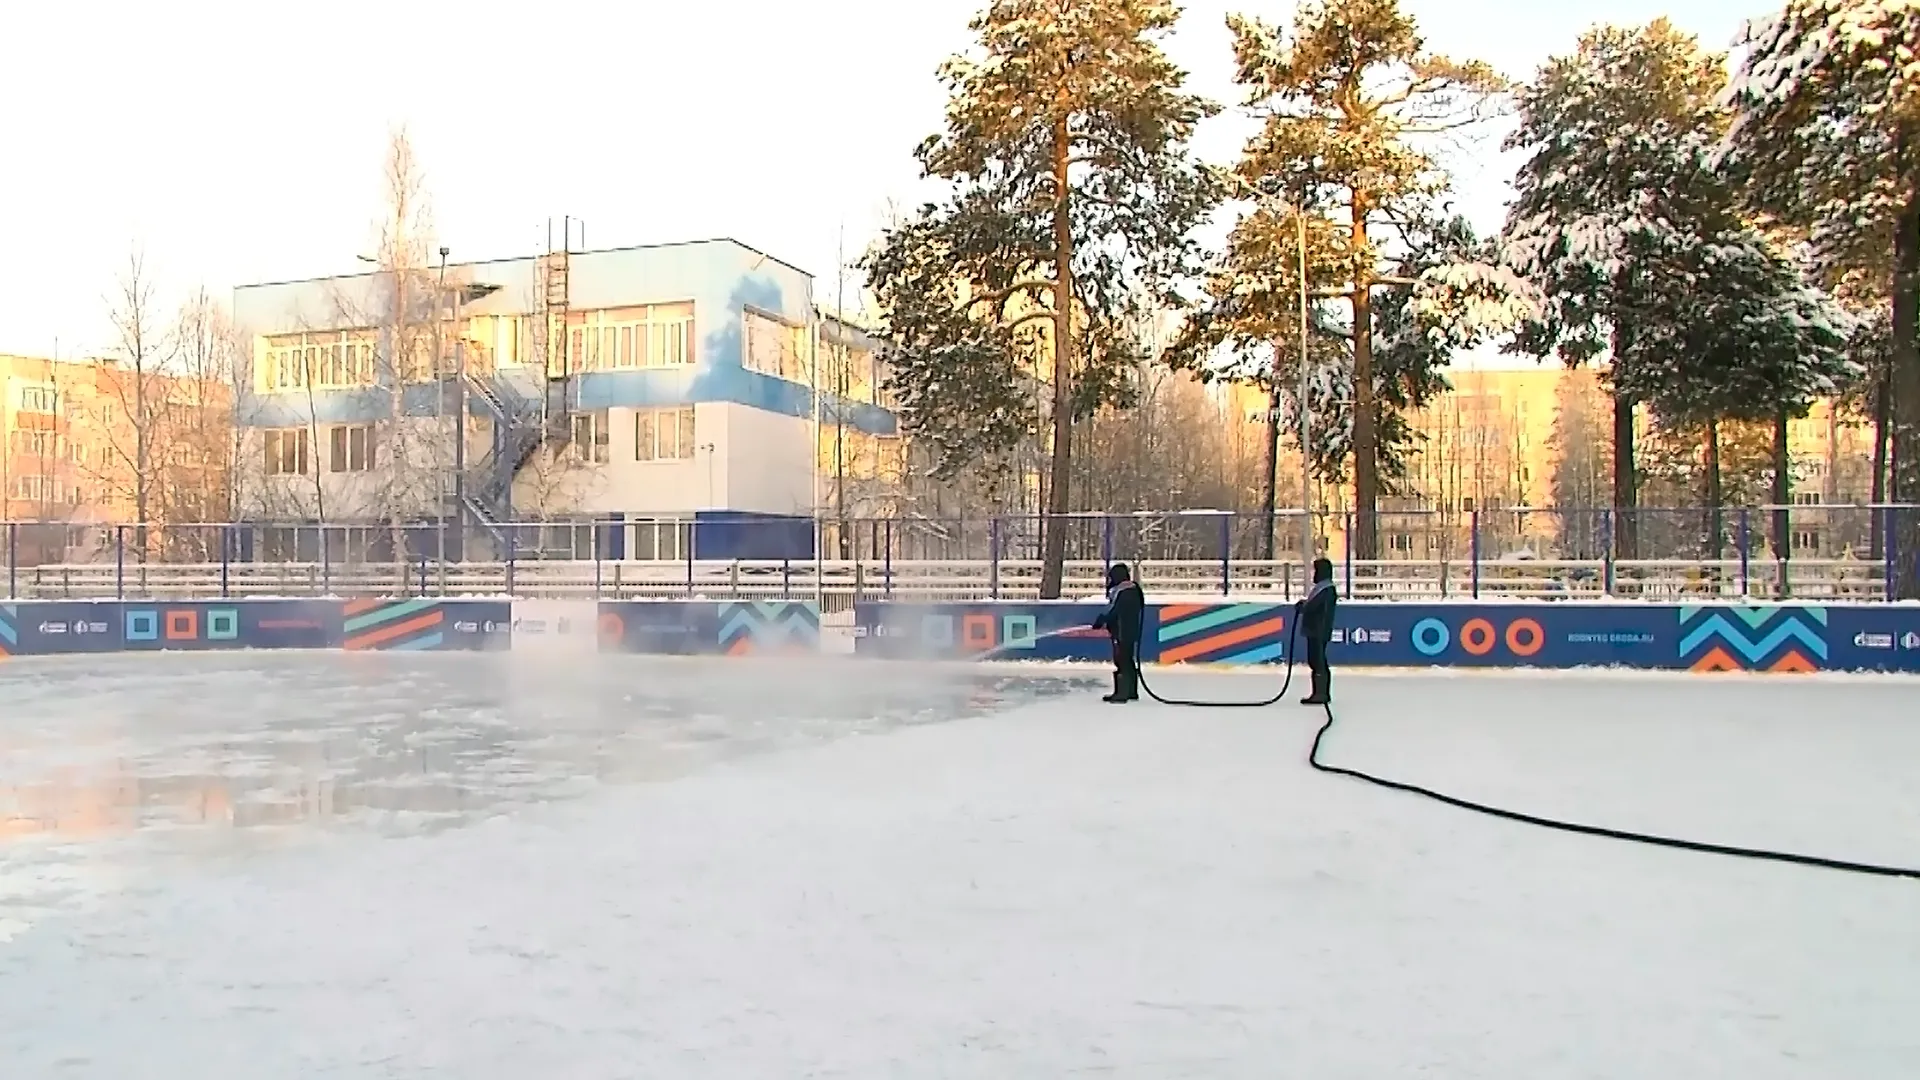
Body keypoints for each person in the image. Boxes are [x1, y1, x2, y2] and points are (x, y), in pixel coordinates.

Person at [1091, 561, 1144, 703]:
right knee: (1127, 660)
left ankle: (1122, 693)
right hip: (1127, 630)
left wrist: (1103, 619)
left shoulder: (1125, 591)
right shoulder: (1130, 589)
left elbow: (1116, 611)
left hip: (1123, 631)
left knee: (1122, 660)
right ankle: (1130, 691)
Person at [1294, 557, 1337, 705]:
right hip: (1316, 630)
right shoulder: (1322, 589)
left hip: (1318, 631)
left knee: (1318, 661)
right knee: (1316, 660)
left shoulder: (1326, 589)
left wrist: (1304, 607)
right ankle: (1318, 692)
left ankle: (1321, 693)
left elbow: (1315, 608)